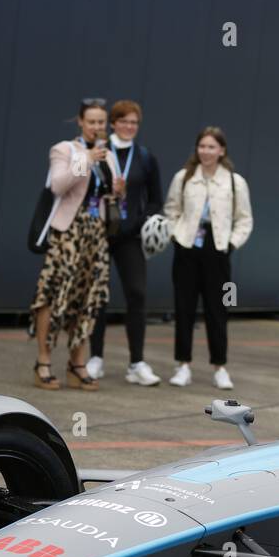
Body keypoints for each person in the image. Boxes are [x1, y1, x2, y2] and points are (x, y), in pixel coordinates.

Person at [29, 99, 113, 392]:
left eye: (101, 122)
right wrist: (87, 159)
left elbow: (106, 196)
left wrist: (117, 191)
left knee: (87, 299)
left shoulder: (108, 155)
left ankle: (78, 364)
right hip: (68, 234)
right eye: (91, 122)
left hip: (95, 234)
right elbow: (58, 185)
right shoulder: (65, 149)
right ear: (80, 121)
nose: (97, 127)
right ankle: (43, 362)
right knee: (53, 294)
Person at [163, 126, 253, 389]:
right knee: (184, 308)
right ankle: (182, 365)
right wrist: (176, 236)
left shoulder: (235, 182)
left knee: (218, 310)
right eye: (202, 146)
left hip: (219, 252)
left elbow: (244, 219)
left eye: (211, 146)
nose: (206, 151)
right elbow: (171, 209)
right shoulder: (184, 177)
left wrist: (231, 244)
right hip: (187, 249)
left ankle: (220, 367)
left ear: (222, 150)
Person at [86, 99, 165, 386]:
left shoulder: (145, 157)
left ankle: (136, 363)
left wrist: (139, 221)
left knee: (137, 294)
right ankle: (95, 358)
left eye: (134, 122)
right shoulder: (99, 153)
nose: (129, 126)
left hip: (130, 236)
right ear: (113, 123)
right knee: (98, 296)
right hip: (99, 233)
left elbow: (156, 199)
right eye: (124, 121)